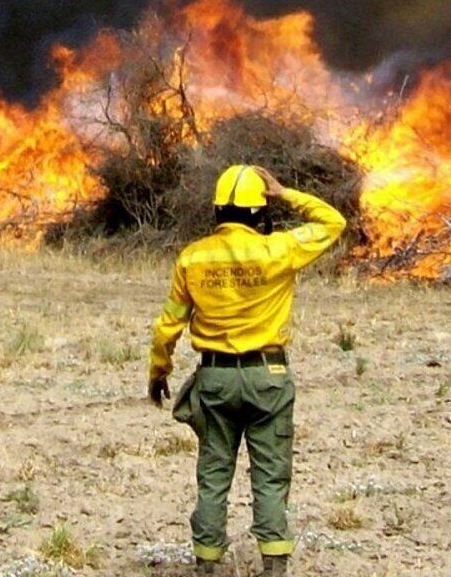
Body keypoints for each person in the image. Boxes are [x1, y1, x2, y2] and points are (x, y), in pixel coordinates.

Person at [148, 165, 347, 576]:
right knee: (271, 476)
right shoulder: (280, 249)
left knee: (213, 473)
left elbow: (169, 323)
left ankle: (206, 563)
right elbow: (333, 221)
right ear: (260, 212)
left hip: (214, 379)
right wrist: (286, 193)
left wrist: (159, 369)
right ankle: (273, 564)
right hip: (267, 377)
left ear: (218, 210)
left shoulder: (194, 256)